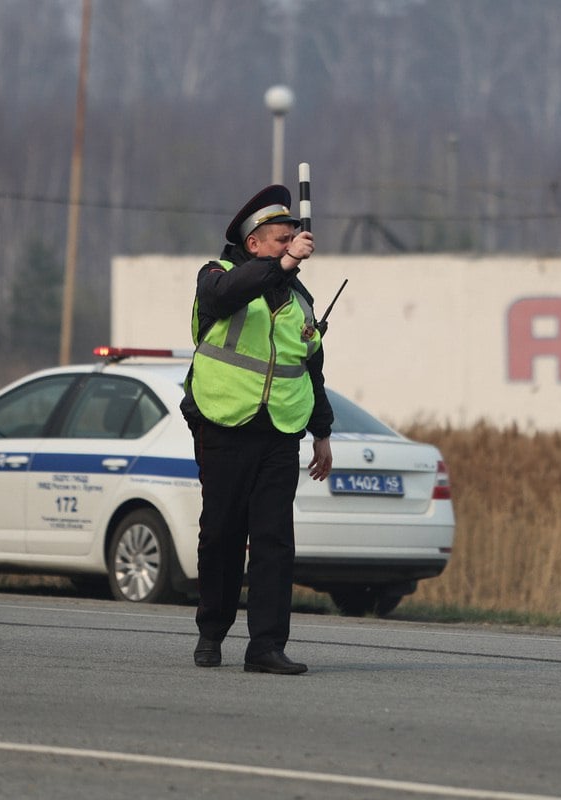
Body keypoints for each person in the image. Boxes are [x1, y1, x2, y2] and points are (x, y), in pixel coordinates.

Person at [181, 184, 333, 675]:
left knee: (274, 541)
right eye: (280, 240)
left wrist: (323, 433)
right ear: (254, 245)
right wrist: (283, 266)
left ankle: (266, 645)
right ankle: (211, 632)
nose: (291, 247)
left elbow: (310, 367)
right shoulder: (215, 276)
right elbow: (229, 296)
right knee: (221, 535)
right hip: (224, 425)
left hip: (278, 432)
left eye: (294, 240)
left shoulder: (299, 298)